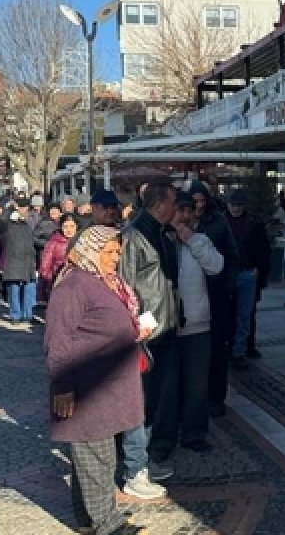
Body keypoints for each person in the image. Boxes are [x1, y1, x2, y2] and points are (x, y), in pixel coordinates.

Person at [44, 226, 151, 535]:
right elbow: (57, 341)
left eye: (118, 252)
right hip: (86, 386)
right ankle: (107, 524)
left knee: (90, 457)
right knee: (98, 457)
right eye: (109, 252)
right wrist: (62, 388)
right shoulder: (74, 286)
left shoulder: (103, 281)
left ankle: (87, 519)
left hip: (106, 384)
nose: (116, 258)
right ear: (91, 250)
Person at [118, 182, 181, 481]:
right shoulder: (134, 236)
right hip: (146, 330)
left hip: (166, 326)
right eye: (173, 203)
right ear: (159, 205)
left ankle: (148, 454)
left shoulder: (161, 233)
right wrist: (138, 326)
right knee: (141, 398)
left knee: (156, 397)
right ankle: (136, 463)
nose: (177, 209)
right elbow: (126, 286)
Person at [169, 191, 225, 450]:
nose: (184, 216)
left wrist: (191, 240)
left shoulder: (200, 239)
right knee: (168, 383)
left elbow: (216, 266)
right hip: (165, 324)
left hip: (197, 323)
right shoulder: (160, 239)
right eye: (179, 210)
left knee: (196, 385)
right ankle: (166, 431)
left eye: (189, 211)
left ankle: (194, 433)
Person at [188, 181, 240, 418]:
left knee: (218, 348)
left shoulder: (218, 222)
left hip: (217, 293)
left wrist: (227, 285)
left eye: (202, 200)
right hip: (191, 294)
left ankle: (216, 397)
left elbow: (230, 255)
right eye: (194, 201)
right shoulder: (182, 221)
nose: (198, 205)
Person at [225, 190, 270, 367]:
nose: (235, 208)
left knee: (245, 314)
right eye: (233, 205)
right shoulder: (222, 221)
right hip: (229, 272)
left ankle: (240, 349)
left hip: (247, 271)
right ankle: (233, 348)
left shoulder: (253, 222)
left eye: (238, 205)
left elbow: (263, 249)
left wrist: (258, 270)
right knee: (229, 313)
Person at [0, 198, 39, 325]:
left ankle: (28, 314)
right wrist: (11, 209)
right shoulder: (9, 222)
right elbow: (0, 221)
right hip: (13, 260)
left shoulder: (30, 221)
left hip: (28, 259)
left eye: (25, 208)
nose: (24, 210)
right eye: (21, 208)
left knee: (29, 288)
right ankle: (15, 315)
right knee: (14, 289)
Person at [39, 215, 77, 305]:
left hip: (78, 283)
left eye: (72, 226)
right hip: (58, 281)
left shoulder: (82, 242)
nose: (69, 230)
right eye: (65, 226)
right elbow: (45, 265)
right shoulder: (54, 242)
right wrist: (45, 285)